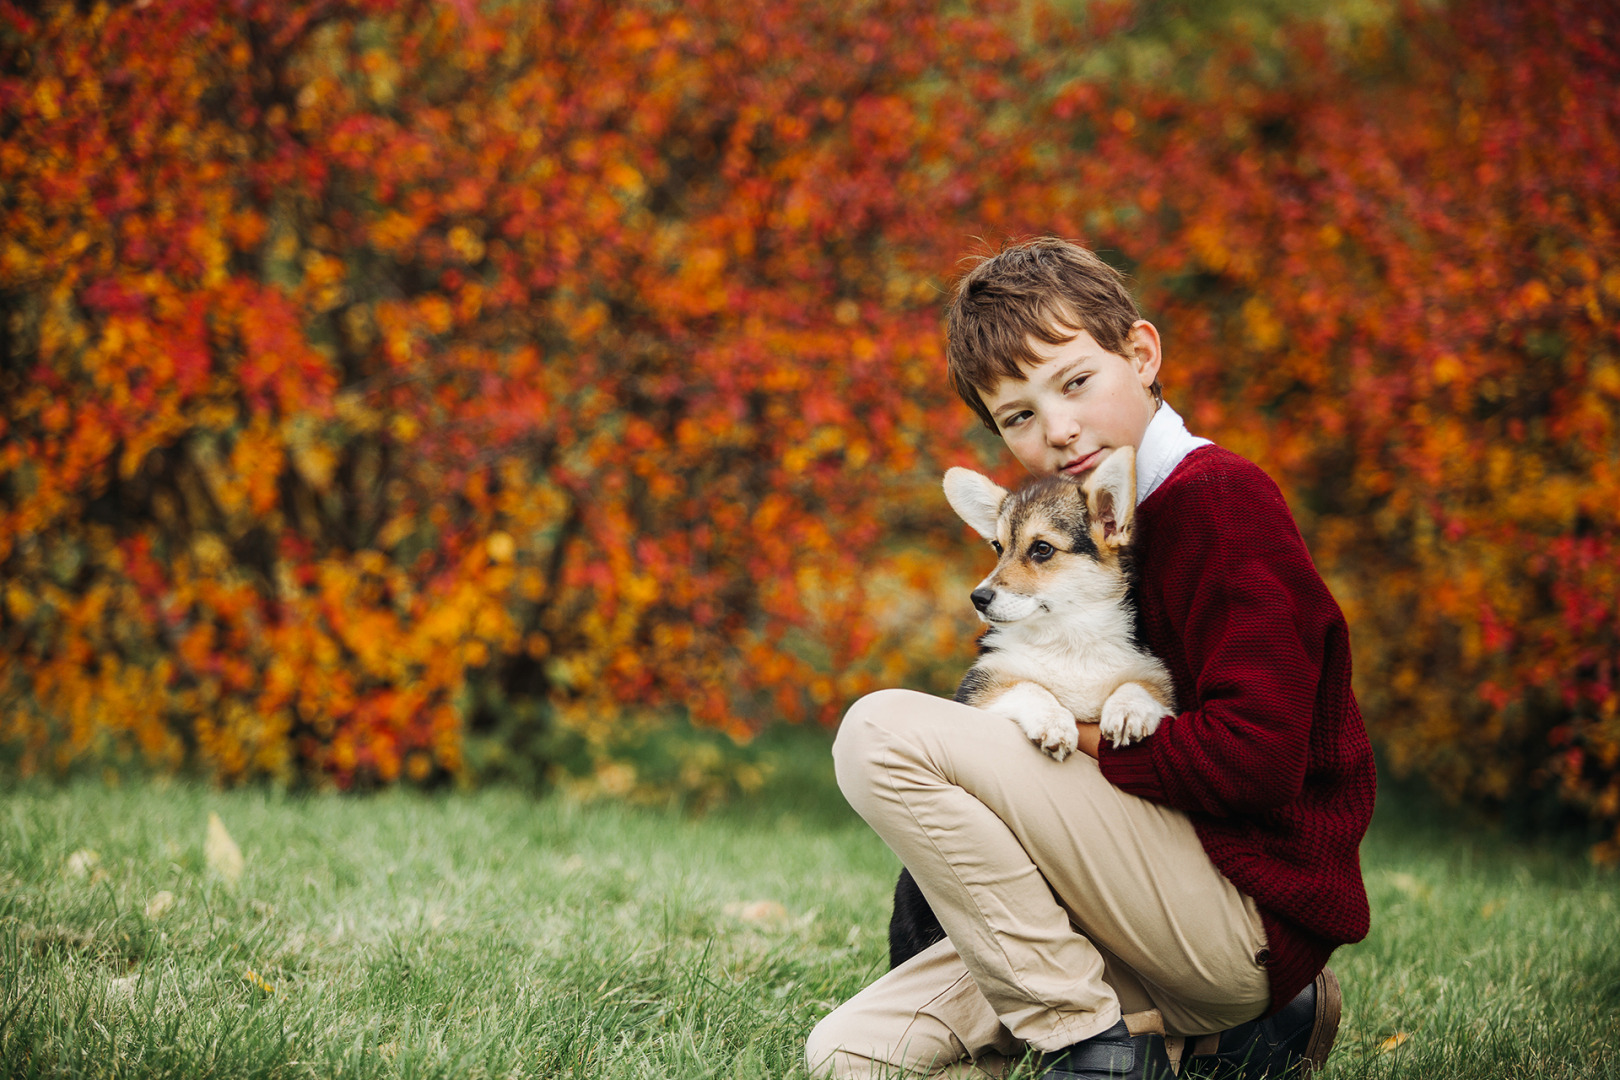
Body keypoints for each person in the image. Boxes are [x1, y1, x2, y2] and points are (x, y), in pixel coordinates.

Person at [805, 238, 1376, 1079]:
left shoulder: (1221, 503)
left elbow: (1258, 762)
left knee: (878, 730)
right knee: (850, 1057)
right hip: (1114, 914)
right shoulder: (1075, 534)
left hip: (1237, 914)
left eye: (1075, 383)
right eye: (1019, 416)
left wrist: (1073, 735)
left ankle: (1086, 1041)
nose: (1058, 429)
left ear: (1141, 355)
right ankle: (1219, 1045)